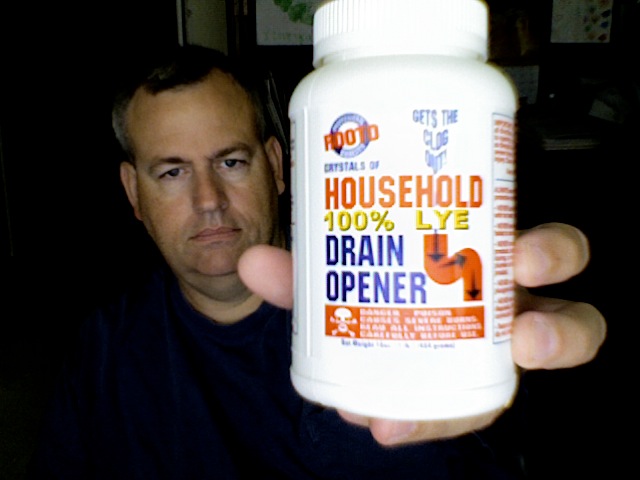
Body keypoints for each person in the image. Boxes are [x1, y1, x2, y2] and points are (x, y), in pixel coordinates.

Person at [27, 44, 606, 479]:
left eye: (231, 162)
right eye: (173, 172)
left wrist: (482, 355)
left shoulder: (397, 322)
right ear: (133, 192)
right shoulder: (102, 348)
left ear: (278, 166)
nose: (208, 200)